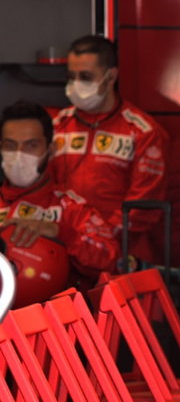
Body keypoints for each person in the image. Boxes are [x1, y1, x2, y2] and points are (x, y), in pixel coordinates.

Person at [50, 34, 167, 260]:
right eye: (70, 76)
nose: (75, 84)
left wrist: (99, 239)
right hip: (64, 248)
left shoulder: (143, 131)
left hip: (122, 254)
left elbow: (143, 207)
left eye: (85, 76)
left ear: (111, 76)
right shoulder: (56, 127)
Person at [1, 99, 118, 300]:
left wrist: (62, 233)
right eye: (10, 145)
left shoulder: (72, 208)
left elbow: (110, 258)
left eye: (31, 145)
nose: (19, 155)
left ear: (51, 149)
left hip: (52, 323)